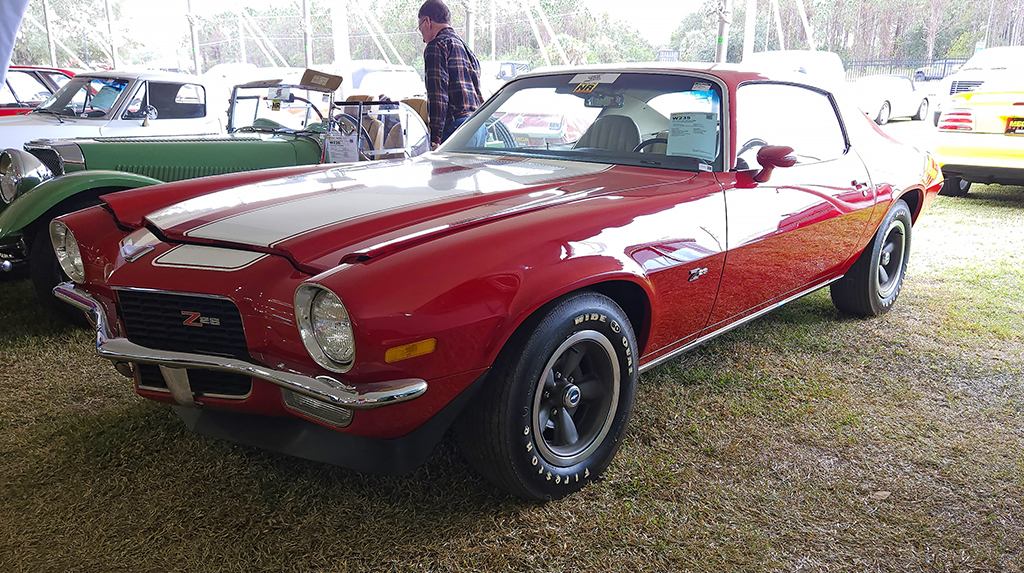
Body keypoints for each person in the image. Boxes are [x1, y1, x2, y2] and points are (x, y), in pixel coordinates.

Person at [418, 0, 485, 149]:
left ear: (427, 21)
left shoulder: (436, 46)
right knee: (473, 173)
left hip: (456, 128)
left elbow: (438, 95)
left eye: (420, 28)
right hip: (478, 125)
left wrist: (435, 138)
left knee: (448, 173)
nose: (423, 38)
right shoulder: (465, 48)